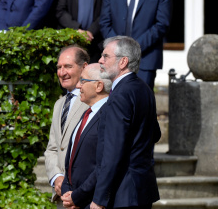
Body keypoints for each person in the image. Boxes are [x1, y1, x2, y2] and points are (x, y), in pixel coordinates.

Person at [91, 36, 161, 209]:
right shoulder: (144, 88)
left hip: (124, 192)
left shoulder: (120, 95)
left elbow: (113, 151)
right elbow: (155, 134)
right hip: (142, 189)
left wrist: (99, 199)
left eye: (106, 56)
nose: (100, 60)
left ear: (123, 62)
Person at [99, 0, 172, 89]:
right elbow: (105, 21)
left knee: (141, 106)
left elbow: (161, 24)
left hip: (146, 58)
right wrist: (117, 49)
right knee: (116, 104)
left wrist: (134, 48)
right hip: (115, 58)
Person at [61, 63, 111, 208]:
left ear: (99, 86)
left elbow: (103, 164)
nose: (78, 86)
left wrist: (78, 197)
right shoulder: (87, 113)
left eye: (83, 81)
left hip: (92, 201)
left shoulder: (108, 115)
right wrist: (67, 192)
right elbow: (72, 157)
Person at [44, 45, 90, 204]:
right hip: (61, 196)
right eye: (59, 67)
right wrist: (57, 178)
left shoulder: (92, 101)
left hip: (83, 195)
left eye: (68, 67)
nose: (62, 72)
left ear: (84, 67)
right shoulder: (59, 104)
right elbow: (52, 148)